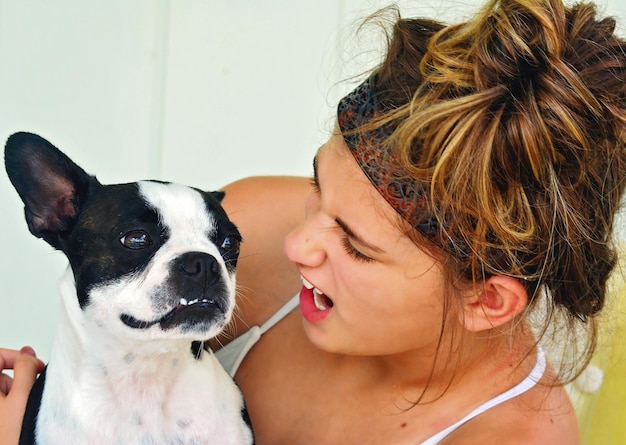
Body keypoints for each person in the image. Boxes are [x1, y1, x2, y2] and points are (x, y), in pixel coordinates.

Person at [2, 0, 625, 443]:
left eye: (354, 245)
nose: (297, 244)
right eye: (317, 189)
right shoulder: (255, 219)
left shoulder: (506, 438)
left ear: (487, 299)